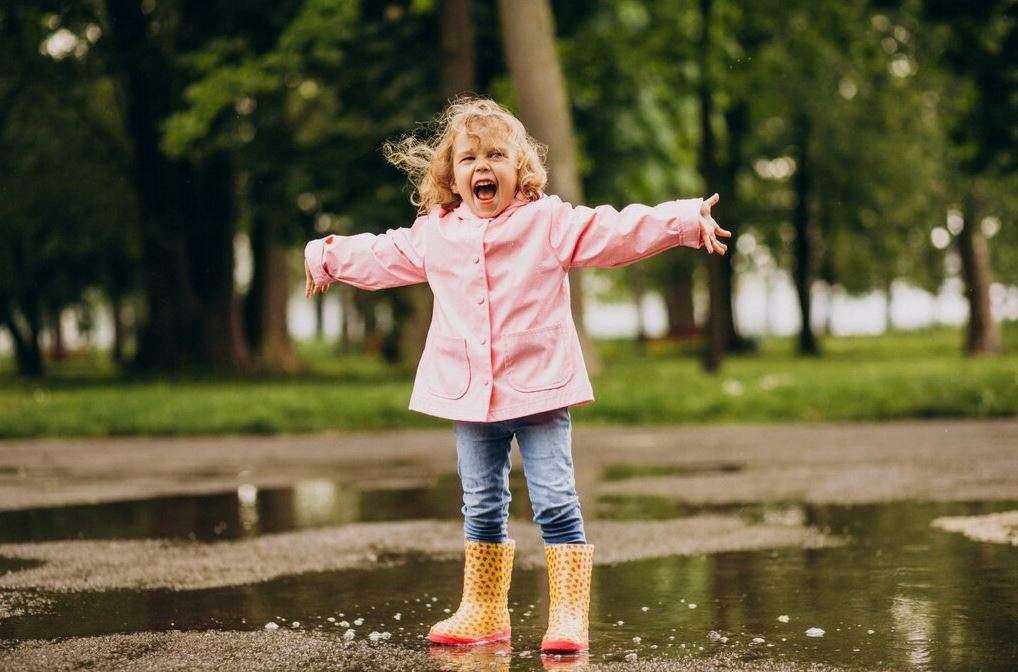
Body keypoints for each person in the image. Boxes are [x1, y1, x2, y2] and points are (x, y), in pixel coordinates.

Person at [303, 97, 729, 653]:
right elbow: (382, 255)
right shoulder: (435, 233)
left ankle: (568, 615)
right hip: (469, 393)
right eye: (469, 158)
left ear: (518, 170)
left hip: (540, 387)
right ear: (452, 177)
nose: (483, 165)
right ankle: (483, 609)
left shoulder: (546, 222)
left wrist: (680, 219)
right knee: (481, 501)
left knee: (555, 499)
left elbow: (613, 231)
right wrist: (325, 255)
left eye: (497, 155)